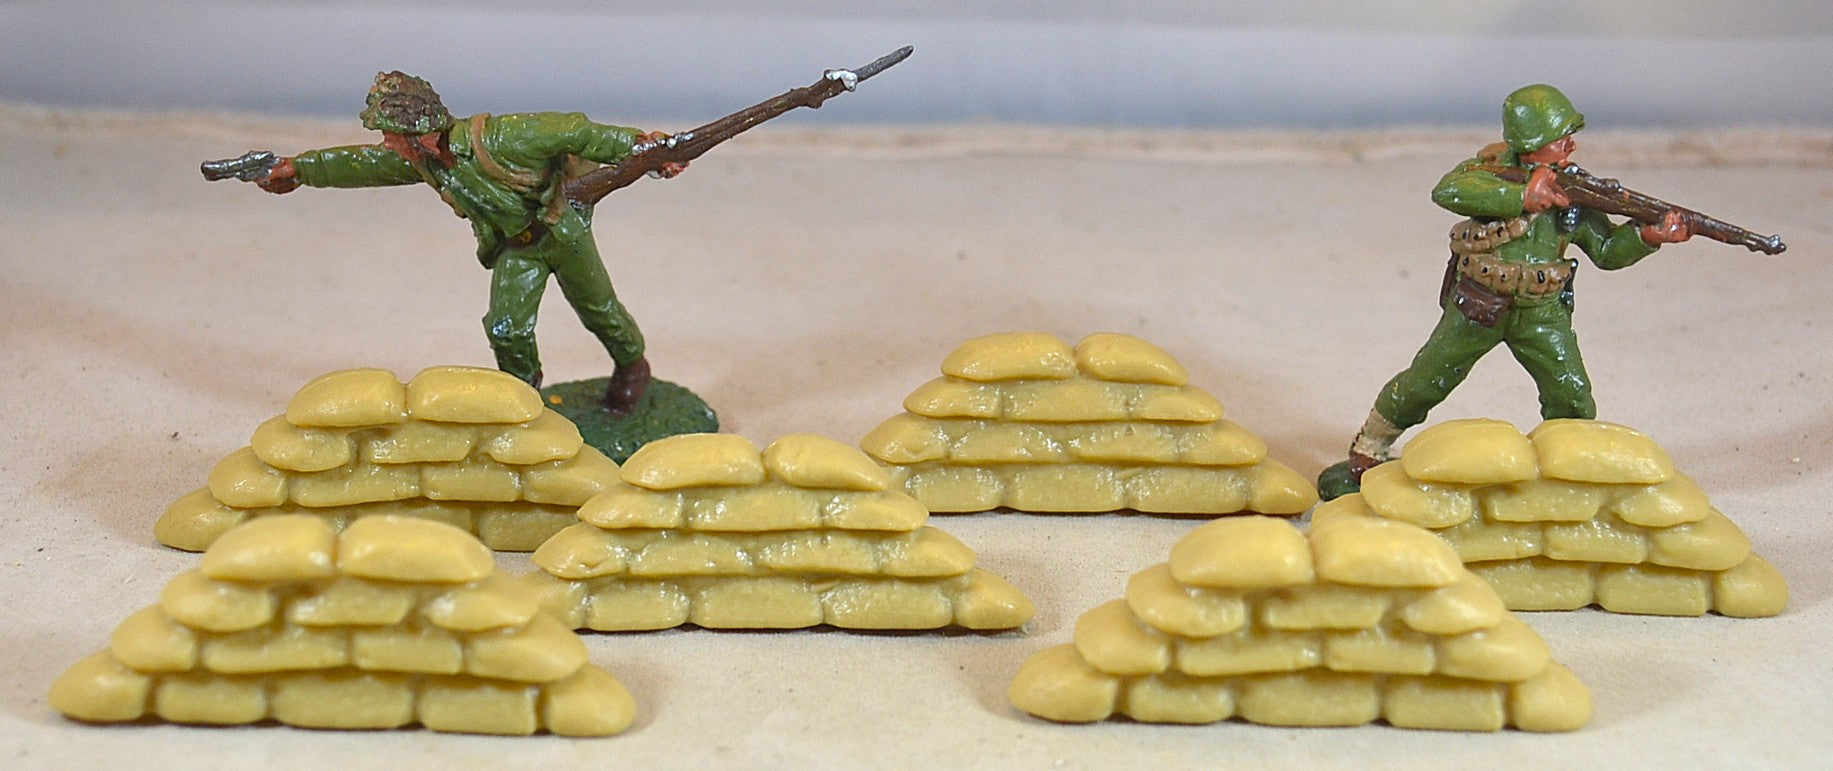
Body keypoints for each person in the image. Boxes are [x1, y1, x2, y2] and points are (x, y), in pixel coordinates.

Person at [1317, 84, 1692, 500]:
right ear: (1530, 143)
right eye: (1559, 137)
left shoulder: (1574, 193)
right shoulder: (1489, 171)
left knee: (1571, 396)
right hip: (1478, 304)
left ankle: (1569, 472)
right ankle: (1368, 453)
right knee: (1426, 381)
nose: (1571, 144)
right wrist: (1522, 196)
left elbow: (1606, 252)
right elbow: (1449, 191)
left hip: (1542, 312)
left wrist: (1648, 236)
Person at [254, 71, 682, 415]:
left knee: (599, 309)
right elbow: (363, 165)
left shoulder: (503, 138)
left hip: (563, 233)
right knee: (505, 329)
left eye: (392, 135)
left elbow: (576, 132)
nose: (387, 143)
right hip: (519, 248)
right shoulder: (424, 162)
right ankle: (522, 398)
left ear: (421, 133)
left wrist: (643, 148)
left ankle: (632, 366)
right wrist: (299, 169)